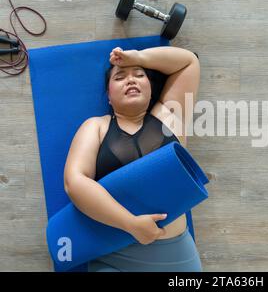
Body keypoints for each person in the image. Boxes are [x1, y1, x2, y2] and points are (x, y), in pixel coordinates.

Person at [63, 46, 202, 272]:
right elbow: (74, 182)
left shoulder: (170, 117)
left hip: (175, 254)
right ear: (109, 96)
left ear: (150, 88)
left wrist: (138, 57)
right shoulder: (96, 126)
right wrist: (131, 224)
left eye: (139, 75)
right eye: (120, 77)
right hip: (113, 251)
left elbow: (188, 63)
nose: (131, 80)